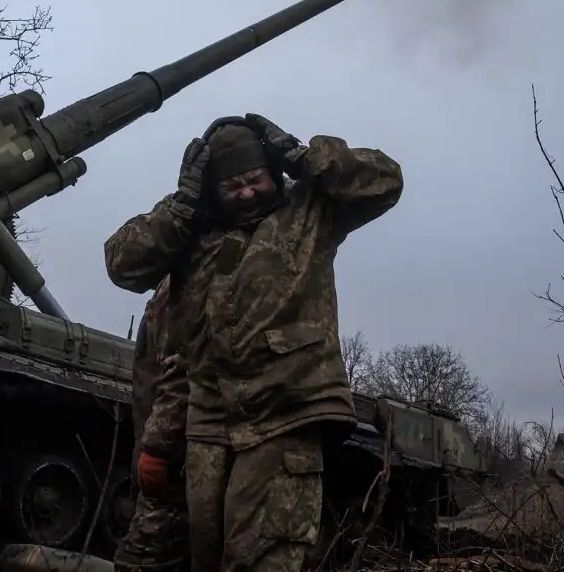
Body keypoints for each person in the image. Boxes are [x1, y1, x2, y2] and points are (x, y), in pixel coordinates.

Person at [103, 113, 403, 572]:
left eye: (255, 180)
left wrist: (304, 158)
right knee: (205, 557)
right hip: (207, 423)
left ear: (272, 173)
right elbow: (124, 263)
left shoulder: (308, 211)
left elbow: (385, 180)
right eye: (231, 186)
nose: (246, 193)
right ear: (211, 191)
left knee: (261, 558)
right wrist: (183, 204)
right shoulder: (192, 231)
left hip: (286, 411)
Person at [114, 276, 191, 572]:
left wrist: (159, 448)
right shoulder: (171, 284)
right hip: (159, 452)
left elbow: (183, 372)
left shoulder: (185, 284)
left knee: (141, 559)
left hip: (172, 463)